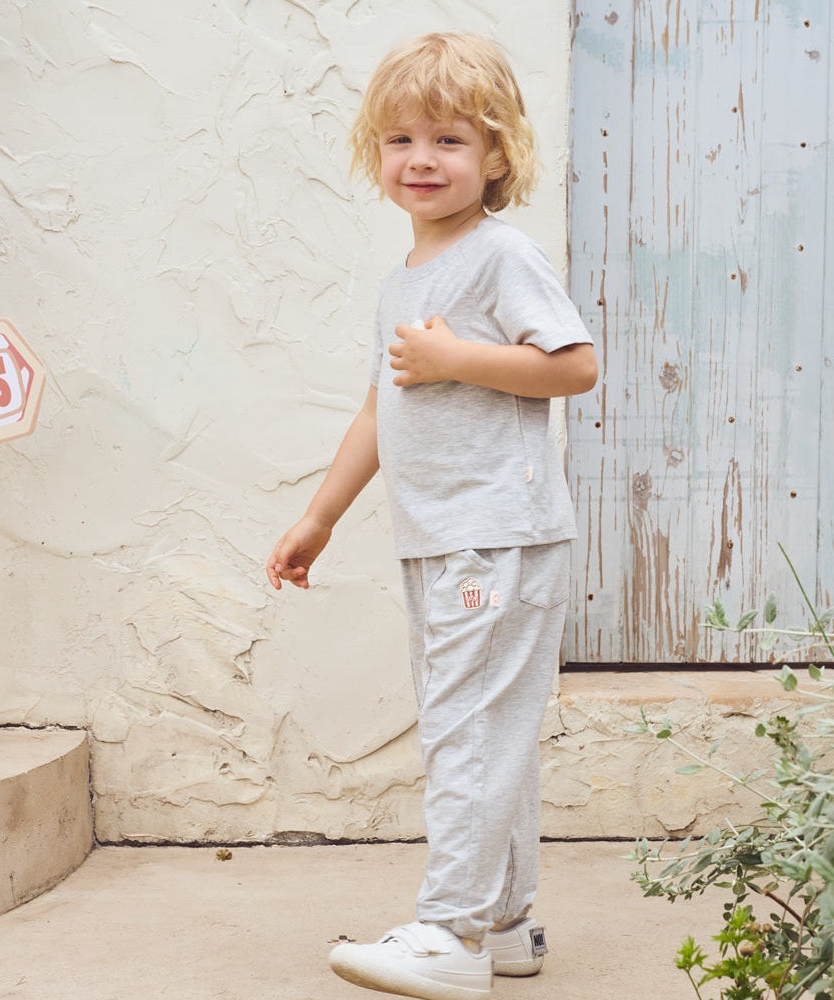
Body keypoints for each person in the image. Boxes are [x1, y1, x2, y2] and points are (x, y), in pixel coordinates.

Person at [266, 32, 598, 1000]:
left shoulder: (500, 254)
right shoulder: (406, 278)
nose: (420, 159)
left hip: (495, 531)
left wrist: (460, 361)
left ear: (496, 156)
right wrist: (320, 516)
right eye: (400, 138)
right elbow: (384, 405)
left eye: (449, 140)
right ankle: (503, 923)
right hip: (441, 532)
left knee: (467, 732)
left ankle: (449, 931)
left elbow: (574, 364)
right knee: (484, 728)